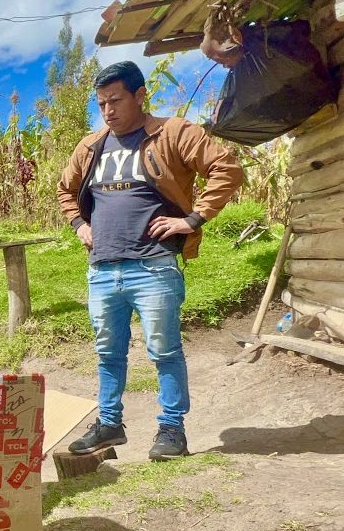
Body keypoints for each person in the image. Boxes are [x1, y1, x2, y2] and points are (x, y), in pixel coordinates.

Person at [57, 61, 243, 460]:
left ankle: (172, 430)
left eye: (116, 100)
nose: (108, 110)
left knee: (164, 351)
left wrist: (192, 219)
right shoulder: (90, 146)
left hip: (154, 266)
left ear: (140, 96)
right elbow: (65, 190)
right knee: (108, 352)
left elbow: (225, 167)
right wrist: (78, 224)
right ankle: (109, 424)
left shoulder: (173, 133)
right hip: (103, 269)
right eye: (101, 103)